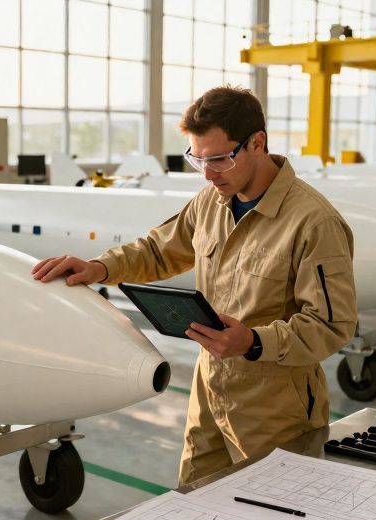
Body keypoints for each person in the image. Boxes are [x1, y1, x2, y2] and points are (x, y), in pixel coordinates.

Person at [32, 86, 357, 485]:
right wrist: (100, 268)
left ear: (258, 143)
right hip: (210, 389)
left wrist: (254, 342)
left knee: (272, 515)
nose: (207, 173)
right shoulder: (211, 202)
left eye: (219, 159)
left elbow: (332, 325)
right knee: (194, 500)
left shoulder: (312, 222)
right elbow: (158, 250)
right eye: (197, 159)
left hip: (276, 403)